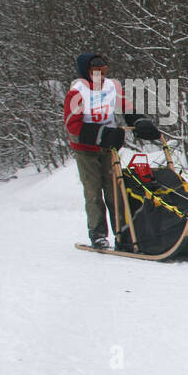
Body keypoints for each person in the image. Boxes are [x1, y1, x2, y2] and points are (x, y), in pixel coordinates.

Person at [63, 53, 161, 248]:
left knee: (115, 190)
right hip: (86, 149)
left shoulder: (111, 87)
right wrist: (102, 134)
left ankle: (123, 233)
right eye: (95, 71)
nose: (100, 75)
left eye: (103, 71)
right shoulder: (77, 92)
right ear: (86, 72)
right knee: (93, 191)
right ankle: (98, 234)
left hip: (108, 147)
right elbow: (72, 126)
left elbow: (125, 106)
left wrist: (139, 121)